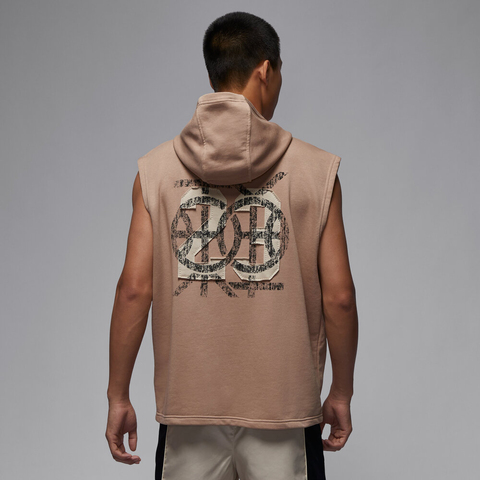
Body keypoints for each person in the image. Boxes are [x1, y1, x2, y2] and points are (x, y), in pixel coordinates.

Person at [105, 10, 358, 480]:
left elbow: (133, 291)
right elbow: (340, 298)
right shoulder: (317, 171)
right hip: (284, 408)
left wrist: (117, 395)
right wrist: (340, 392)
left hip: (188, 408)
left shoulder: (154, 172)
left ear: (213, 77)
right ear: (265, 69)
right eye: (279, 72)